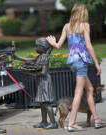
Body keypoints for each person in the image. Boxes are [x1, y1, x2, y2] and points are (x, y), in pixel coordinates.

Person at [46, 3, 106, 132]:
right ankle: (72, 123)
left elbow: (58, 45)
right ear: (83, 13)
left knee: (89, 89)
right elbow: (89, 46)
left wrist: (52, 42)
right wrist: (95, 62)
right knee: (78, 93)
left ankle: (96, 119)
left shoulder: (67, 26)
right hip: (81, 63)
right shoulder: (85, 25)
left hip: (72, 63)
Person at [14, 38, 58, 129]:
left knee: (46, 103)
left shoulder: (45, 57)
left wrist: (29, 73)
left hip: (45, 81)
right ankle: (44, 121)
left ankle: (53, 123)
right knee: (42, 103)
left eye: (37, 46)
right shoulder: (41, 56)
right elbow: (29, 60)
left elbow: (43, 72)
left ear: (42, 47)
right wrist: (17, 57)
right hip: (41, 81)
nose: (35, 48)